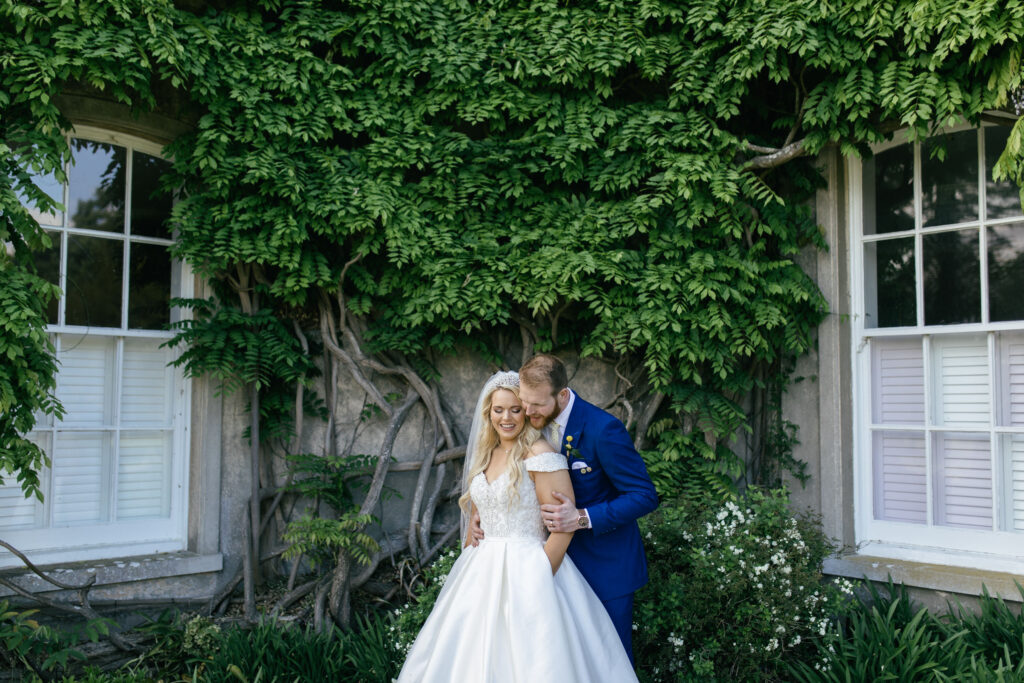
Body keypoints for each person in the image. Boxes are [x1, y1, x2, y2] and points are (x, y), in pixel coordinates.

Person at [397, 371, 638, 682]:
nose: (506, 418)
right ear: (489, 413)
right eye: (498, 410)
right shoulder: (487, 454)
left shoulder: (541, 455)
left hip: (531, 568)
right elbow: (484, 505)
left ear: (526, 410)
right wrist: (475, 522)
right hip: (479, 574)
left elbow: (562, 526)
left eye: (515, 409)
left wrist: (540, 575)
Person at [471, 354, 659, 664]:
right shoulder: (530, 423)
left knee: (606, 664)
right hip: (547, 564)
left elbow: (643, 495)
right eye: (524, 403)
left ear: (561, 394)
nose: (527, 412)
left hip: (603, 567)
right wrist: (491, 510)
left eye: (536, 405)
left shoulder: (602, 429)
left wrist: (583, 517)